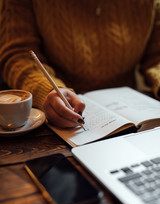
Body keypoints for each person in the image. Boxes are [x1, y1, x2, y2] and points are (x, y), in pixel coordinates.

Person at [0, 0, 160, 128]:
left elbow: (156, 56)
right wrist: (48, 90)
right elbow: (18, 54)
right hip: (58, 112)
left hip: (134, 114)